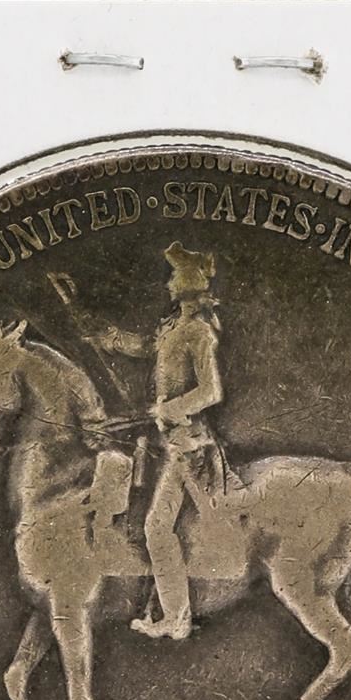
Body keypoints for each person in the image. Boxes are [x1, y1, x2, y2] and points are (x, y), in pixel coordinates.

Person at [87, 241, 226, 640]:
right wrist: (110, 338)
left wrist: (166, 408)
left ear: (187, 284)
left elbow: (211, 391)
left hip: (188, 448)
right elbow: (147, 346)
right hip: (169, 444)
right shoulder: (173, 328)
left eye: (173, 277)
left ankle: (177, 619)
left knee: (157, 528)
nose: (167, 284)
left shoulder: (199, 332)